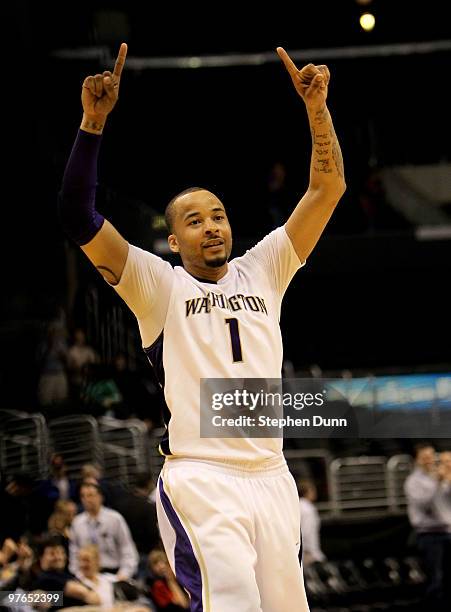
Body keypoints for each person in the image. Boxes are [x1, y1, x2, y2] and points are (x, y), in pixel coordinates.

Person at [59, 42, 345, 611]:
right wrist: (92, 124)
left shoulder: (265, 266)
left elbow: (326, 189)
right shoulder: (158, 285)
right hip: (203, 477)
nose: (211, 227)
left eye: (218, 216)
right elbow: (76, 213)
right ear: (172, 240)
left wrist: (316, 108)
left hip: (272, 474)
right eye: (194, 221)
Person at [404, 443, 451, 609]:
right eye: (424, 457)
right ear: (416, 460)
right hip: (429, 535)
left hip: (447, 532)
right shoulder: (413, 482)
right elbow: (425, 505)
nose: (429, 460)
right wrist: (438, 483)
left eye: (431, 456)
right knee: (435, 579)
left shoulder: (439, 477)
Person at [69, 482, 138, 580]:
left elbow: (127, 549)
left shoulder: (115, 519)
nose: (87, 499)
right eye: (83, 496)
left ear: (100, 497)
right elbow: (74, 554)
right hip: (86, 576)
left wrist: (124, 574)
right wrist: (79, 576)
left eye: (90, 495)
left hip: (114, 573)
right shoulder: (77, 523)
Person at [298, 479, 326, 566]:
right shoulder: (308, 509)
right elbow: (306, 532)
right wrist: (308, 552)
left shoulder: (298, 504)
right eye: (312, 490)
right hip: (309, 553)